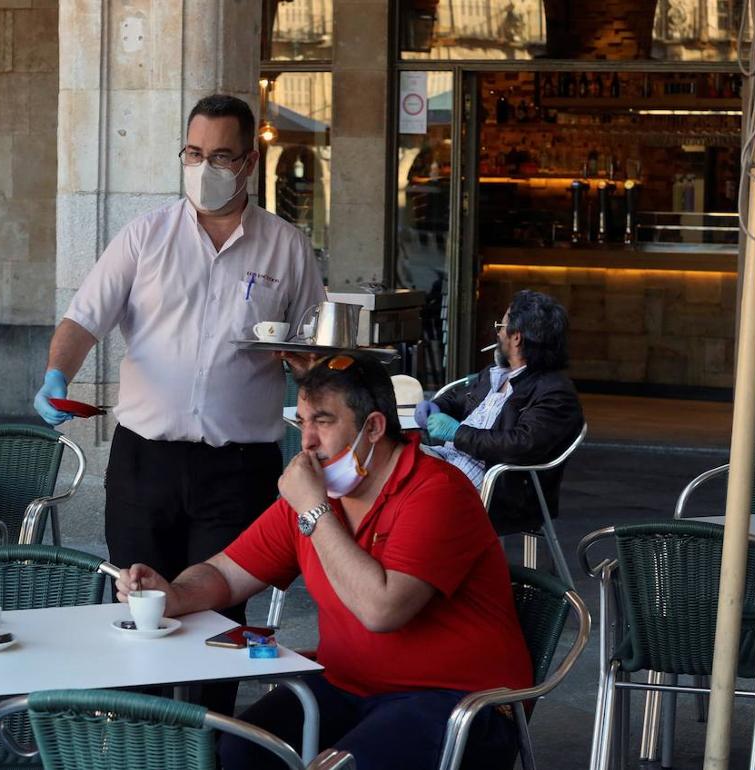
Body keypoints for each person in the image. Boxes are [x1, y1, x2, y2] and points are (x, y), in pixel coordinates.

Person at [116, 355, 532, 769]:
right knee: (234, 754)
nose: (307, 440)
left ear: (373, 427)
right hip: (345, 686)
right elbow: (226, 572)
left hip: (457, 701)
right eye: (302, 422)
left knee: (340, 767)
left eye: (324, 421)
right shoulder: (318, 491)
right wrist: (174, 595)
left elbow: (382, 610)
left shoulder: (436, 491)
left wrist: (314, 510)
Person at [32, 94, 325, 639]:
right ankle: (142, 725)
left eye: (220, 156)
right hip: (145, 463)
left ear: (248, 163)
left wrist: (309, 370)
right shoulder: (146, 236)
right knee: (138, 609)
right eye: (193, 154)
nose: (203, 168)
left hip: (238, 470)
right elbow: (83, 320)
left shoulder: (287, 248)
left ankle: (208, 726)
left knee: (218, 623)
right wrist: (57, 376)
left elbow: (312, 352)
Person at [416, 289, 583, 535]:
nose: (498, 332)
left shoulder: (555, 393)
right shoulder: (498, 373)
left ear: (516, 338)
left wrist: (456, 432)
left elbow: (521, 444)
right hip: (451, 463)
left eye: (501, 326)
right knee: (390, 464)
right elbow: (459, 397)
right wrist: (437, 406)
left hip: (501, 488)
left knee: (409, 500)